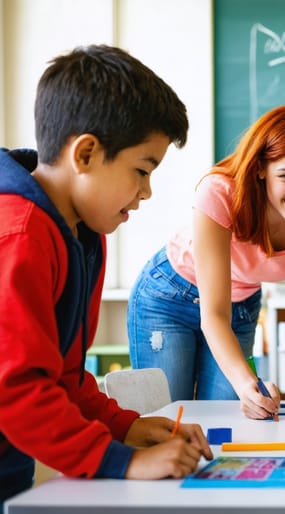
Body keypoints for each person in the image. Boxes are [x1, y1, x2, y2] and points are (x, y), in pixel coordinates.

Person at [0, 44, 212, 506]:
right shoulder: (21, 234)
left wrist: (126, 427)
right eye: (141, 170)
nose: (146, 192)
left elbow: (67, 379)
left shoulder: (83, 233)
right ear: (87, 153)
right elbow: (13, 388)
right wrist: (123, 462)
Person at [128, 104, 285, 418]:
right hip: (169, 298)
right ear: (261, 168)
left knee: (231, 418)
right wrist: (247, 382)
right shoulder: (220, 191)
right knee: (169, 420)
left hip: (240, 304)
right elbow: (213, 313)